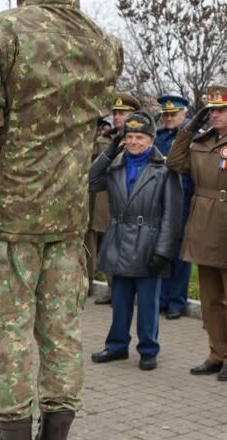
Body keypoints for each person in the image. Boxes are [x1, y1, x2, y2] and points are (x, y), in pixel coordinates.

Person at [0, 0, 122, 440]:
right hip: (68, 219)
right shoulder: (104, 45)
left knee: (8, 336)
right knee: (62, 334)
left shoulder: (0, 33)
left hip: (6, 219)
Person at [166, 85, 227, 382]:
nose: (214, 115)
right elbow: (175, 163)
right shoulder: (202, 141)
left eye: (221, 110)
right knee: (210, 299)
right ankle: (215, 353)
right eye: (210, 110)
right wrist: (187, 130)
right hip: (203, 226)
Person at [89, 111, 182, 370]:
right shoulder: (116, 164)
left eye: (139, 137)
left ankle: (148, 349)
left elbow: (172, 216)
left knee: (148, 304)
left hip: (148, 242)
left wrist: (163, 251)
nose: (133, 142)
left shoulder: (164, 170)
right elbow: (91, 180)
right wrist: (108, 152)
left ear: (151, 140)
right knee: (119, 301)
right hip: (119, 240)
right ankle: (117, 346)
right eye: (129, 137)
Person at [90, 92, 141, 305]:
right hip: (102, 197)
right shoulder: (107, 138)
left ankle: (125, 291)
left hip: (127, 200)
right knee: (100, 244)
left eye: (122, 113)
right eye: (115, 113)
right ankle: (110, 287)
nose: (117, 116)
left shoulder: (139, 139)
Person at [154, 92, 195, 320]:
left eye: (174, 114)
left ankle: (177, 301)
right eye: (166, 115)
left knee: (180, 252)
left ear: (184, 113)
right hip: (160, 200)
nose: (169, 118)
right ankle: (160, 298)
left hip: (183, 200)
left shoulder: (194, 137)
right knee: (162, 249)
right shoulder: (157, 137)